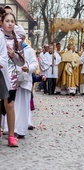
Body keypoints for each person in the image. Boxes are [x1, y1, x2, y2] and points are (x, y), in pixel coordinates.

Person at [1, 12, 25, 146]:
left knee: (9, 105)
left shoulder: (18, 40)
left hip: (11, 76)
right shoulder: (0, 37)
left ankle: (11, 135)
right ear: (2, 22)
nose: (10, 23)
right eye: (7, 21)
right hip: (0, 74)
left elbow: (21, 62)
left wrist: (14, 54)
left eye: (12, 21)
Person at [14, 42, 38, 138]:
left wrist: (28, 68)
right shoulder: (10, 46)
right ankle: (11, 128)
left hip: (25, 81)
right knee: (12, 105)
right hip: (13, 81)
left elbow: (34, 64)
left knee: (24, 107)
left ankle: (21, 129)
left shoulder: (29, 50)